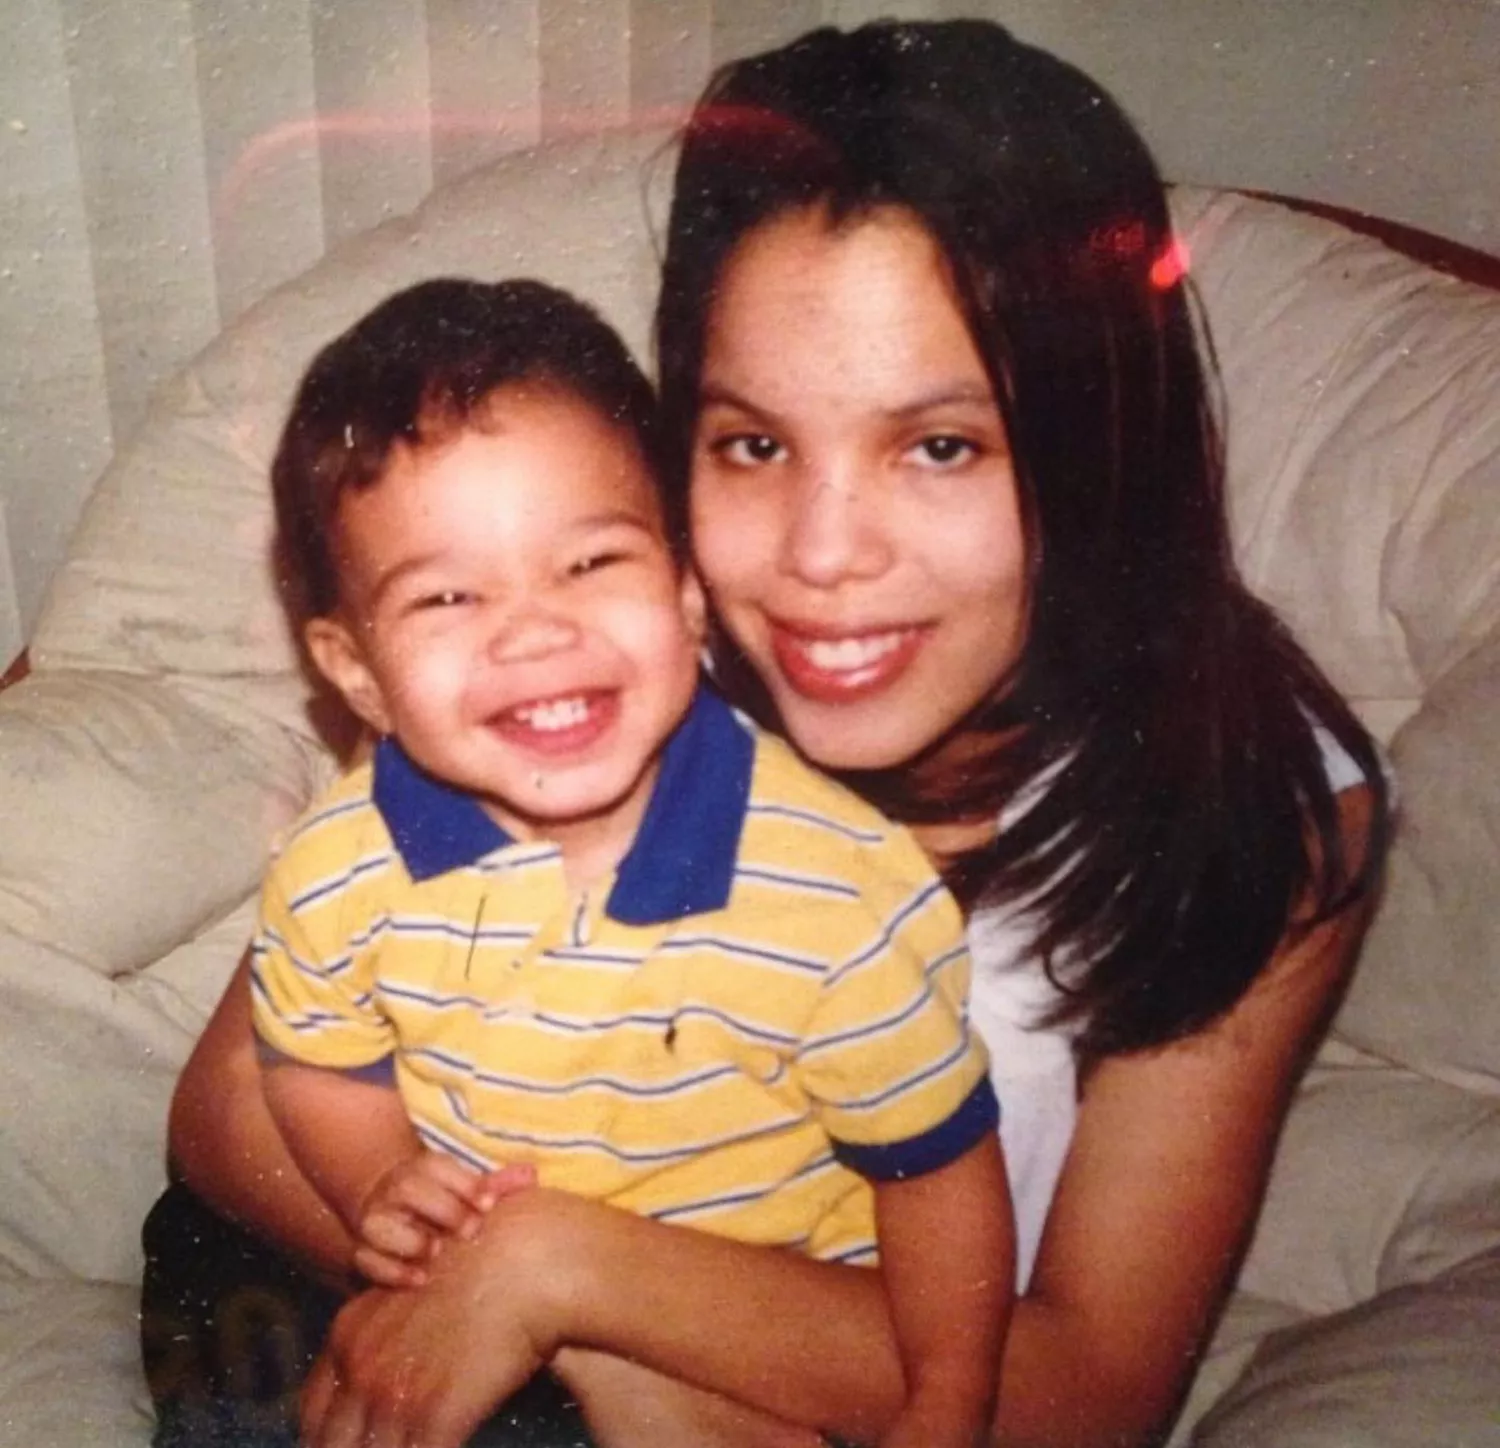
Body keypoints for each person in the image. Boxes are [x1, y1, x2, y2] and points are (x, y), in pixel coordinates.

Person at [156, 18, 1390, 1448]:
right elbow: (233, 1106)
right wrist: (590, 1342)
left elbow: (1083, 1399)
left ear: (1098, 434)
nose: (820, 556)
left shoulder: (1256, 802)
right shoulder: (606, 668)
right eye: (754, 443)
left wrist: (567, 1275)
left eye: (941, 446)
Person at [147, 273, 1012, 1448]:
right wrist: (377, 1186)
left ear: (688, 593)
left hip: (717, 1321)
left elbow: (939, 1175)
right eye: (448, 595)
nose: (535, 630)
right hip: (435, 1267)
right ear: (354, 674)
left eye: (592, 563)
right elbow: (313, 1057)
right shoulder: (339, 863)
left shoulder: (834, 887)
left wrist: (948, 1406)